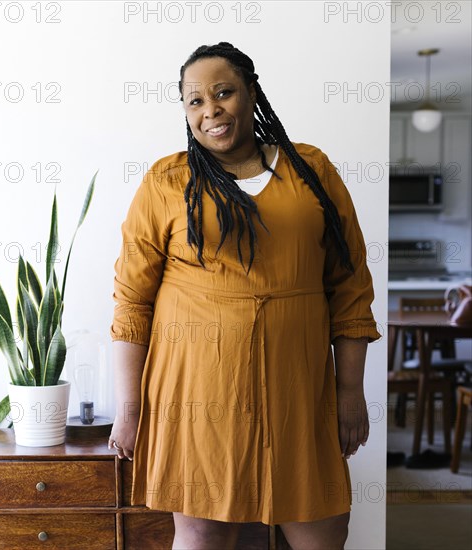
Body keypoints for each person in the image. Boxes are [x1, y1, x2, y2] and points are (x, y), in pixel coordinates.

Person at [108, 42, 381, 550]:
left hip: (299, 389)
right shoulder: (168, 181)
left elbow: (349, 287)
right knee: (203, 530)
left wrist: (350, 391)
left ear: (251, 93)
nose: (209, 109)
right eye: (194, 101)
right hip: (196, 391)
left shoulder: (311, 171)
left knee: (322, 525)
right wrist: (129, 409)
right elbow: (132, 302)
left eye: (223, 92)